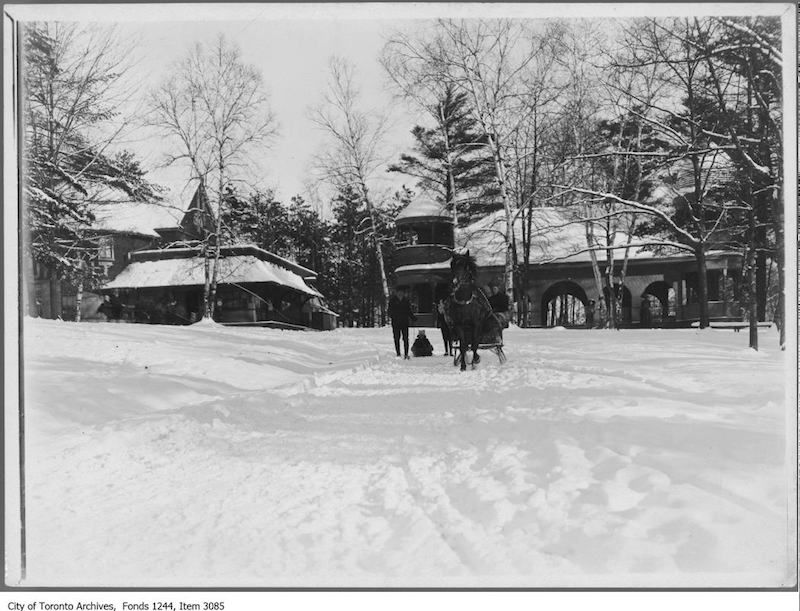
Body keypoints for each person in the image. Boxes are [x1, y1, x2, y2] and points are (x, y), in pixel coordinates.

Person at [388, 287, 416, 359]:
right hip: (396, 322)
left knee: (406, 338)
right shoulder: (392, 301)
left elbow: (409, 310)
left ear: (403, 293)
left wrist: (413, 318)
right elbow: (389, 311)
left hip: (404, 322)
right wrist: (393, 316)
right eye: (399, 292)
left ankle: (406, 354)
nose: (400, 294)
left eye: (402, 293)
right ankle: (398, 353)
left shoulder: (406, 301)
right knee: (396, 338)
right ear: (396, 293)